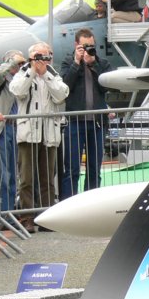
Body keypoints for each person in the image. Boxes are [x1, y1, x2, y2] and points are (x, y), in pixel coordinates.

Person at [10, 42, 68, 232]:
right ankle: (27, 217)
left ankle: (46, 217)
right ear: (31, 57)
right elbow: (17, 91)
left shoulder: (53, 74)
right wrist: (32, 71)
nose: (43, 60)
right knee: (26, 178)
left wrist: (46, 75)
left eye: (46, 56)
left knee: (48, 178)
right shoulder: (23, 73)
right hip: (28, 133)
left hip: (49, 132)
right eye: (38, 56)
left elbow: (61, 95)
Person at [59, 28, 115, 197]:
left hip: (97, 123)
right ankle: (69, 203)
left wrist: (93, 64)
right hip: (75, 122)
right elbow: (65, 87)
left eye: (91, 46)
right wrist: (77, 63)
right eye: (84, 46)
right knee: (72, 168)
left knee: (94, 168)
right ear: (76, 45)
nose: (88, 49)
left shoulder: (102, 63)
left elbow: (107, 86)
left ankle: (91, 202)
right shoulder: (68, 62)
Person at [0, 50, 27, 212]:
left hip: (19, 127)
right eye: (18, 63)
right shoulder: (0, 77)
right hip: (3, 128)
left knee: (14, 173)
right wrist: (11, 63)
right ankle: (3, 211)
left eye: (22, 63)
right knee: (3, 173)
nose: (20, 66)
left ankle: (10, 210)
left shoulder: (23, 78)